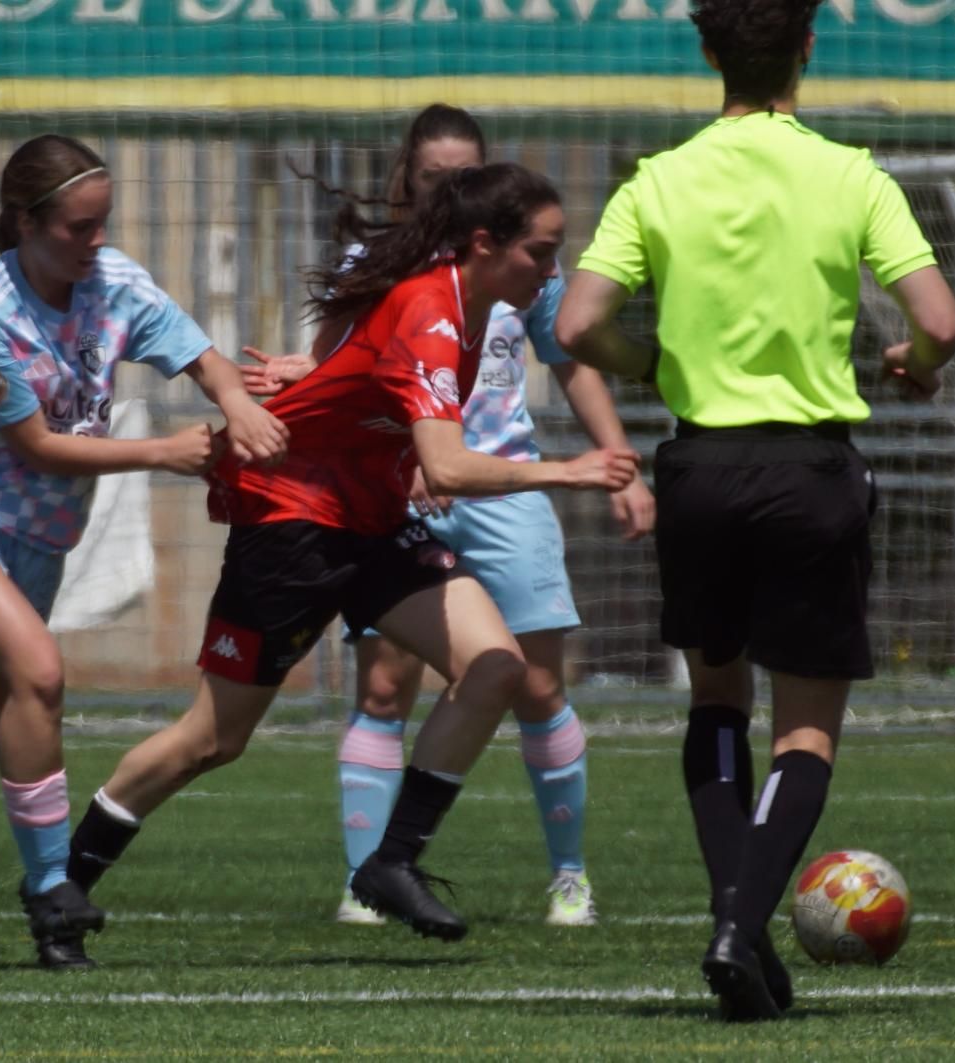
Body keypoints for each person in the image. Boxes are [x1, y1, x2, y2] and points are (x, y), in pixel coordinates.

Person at [63, 162, 640, 951]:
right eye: (541, 253)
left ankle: (390, 863)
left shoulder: (466, 306)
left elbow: (373, 385)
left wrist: (335, 387)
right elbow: (449, 466)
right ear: (484, 243)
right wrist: (567, 469)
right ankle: (63, 884)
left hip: (367, 517)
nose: (551, 270)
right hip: (291, 519)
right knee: (213, 739)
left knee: (497, 665)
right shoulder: (434, 312)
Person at [554, 0, 955, 1021]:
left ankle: (734, 919)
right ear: (806, 50)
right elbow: (940, 321)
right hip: (809, 473)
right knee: (807, 732)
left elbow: (575, 323)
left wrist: (650, 362)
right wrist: (916, 361)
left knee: (716, 701)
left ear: (705, 53)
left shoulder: (658, 179)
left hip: (699, 471)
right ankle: (741, 925)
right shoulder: (849, 175)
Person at [0, 133, 289, 971]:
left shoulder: (113, 282)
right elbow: (38, 448)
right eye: (78, 229)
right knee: (40, 671)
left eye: (102, 224)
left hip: (39, 545)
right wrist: (162, 453)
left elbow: (202, 358)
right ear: (23, 222)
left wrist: (241, 403)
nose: (95, 243)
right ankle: (52, 892)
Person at [242, 104, 654, 930]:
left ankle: (569, 877)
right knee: (387, 683)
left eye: (466, 174)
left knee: (536, 682)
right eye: (437, 176)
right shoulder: (383, 259)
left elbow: (569, 361)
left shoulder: (521, 261)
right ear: (408, 179)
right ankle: (370, 876)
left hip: (505, 487)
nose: (451, 189)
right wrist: (302, 375)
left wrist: (619, 466)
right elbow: (338, 366)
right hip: (405, 488)